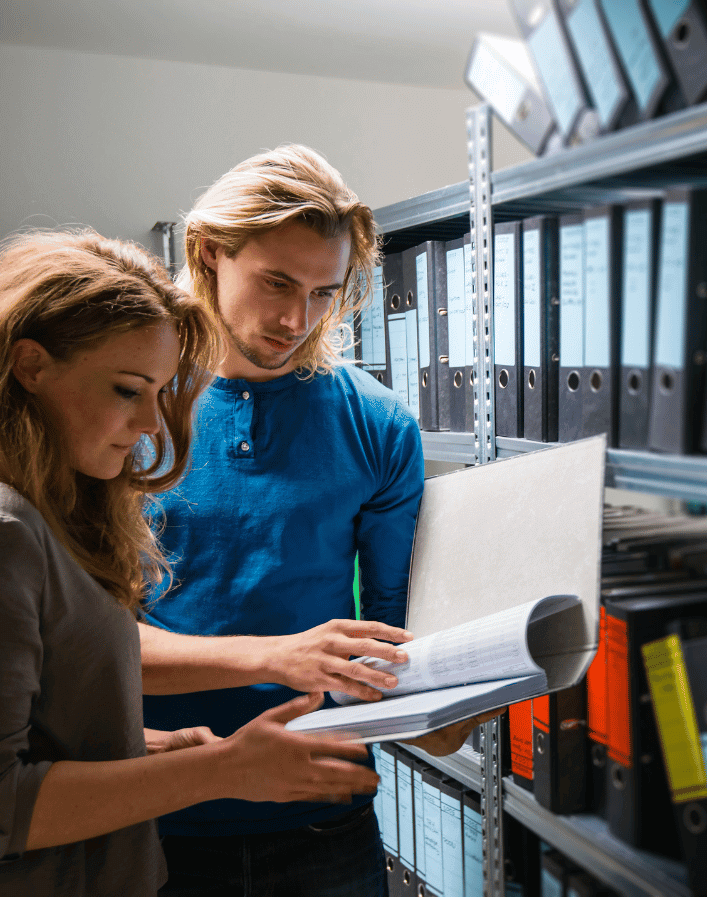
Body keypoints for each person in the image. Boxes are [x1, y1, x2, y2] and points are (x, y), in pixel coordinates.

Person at [138, 144, 489, 897]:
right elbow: (84, 643)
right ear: (209, 254)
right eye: (276, 283)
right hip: (152, 813)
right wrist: (277, 655)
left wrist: (470, 686)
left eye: (325, 293)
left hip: (321, 818)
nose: (297, 318)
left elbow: (392, 645)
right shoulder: (133, 404)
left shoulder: (380, 426)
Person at [0, 230, 385, 895]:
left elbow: (42, 726)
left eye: (159, 391)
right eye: (127, 389)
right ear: (31, 366)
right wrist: (226, 770)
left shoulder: (51, 511)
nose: (153, 424)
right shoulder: (8, 533)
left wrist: (143, 746)